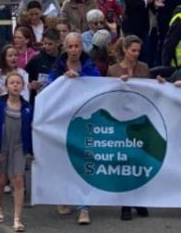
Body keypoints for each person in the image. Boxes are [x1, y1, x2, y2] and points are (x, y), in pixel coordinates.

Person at [48, 32, 100, 225]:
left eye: (77, 46)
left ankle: (84, 207)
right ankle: (64, 196)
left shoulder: (90, 65)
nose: (73, 50)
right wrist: (63, 79)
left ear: (81, 47)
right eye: (70, 46)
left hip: (84, 122)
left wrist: (81, 77)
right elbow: (49, 90)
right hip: (62, 122)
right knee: (63, 162)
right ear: (65, 47)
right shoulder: (57, 66)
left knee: (83, 161)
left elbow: (99, 85)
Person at [107, 35, 152, 220]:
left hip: (141, 119)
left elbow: (150, 91)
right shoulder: (113, 70)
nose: (136, 54)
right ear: (125, 50)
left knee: (140, 161)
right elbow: (107, 95)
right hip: (121, 120)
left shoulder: (143, 68)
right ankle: (125, 203)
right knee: (125, 162)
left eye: (138, 51)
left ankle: (139, 199)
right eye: (133, 50)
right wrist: (120, 84)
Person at [0, 73, 34, 232]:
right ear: (6, 86)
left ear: (22, 86)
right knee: (1, 180)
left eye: (18, 83)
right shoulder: (0, 106)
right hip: (3, 146)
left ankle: (17, 218)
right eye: (12, 83)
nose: (15, 85)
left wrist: (29, 150)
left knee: (18, 180)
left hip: (18, 147)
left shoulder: (28, 107)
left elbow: (30, 130)